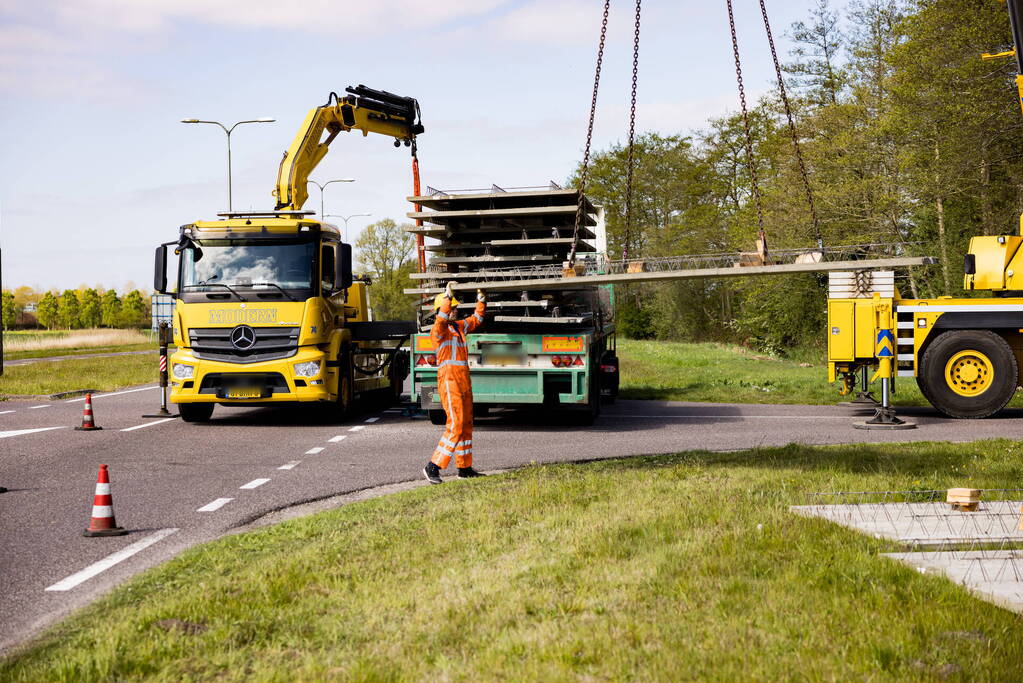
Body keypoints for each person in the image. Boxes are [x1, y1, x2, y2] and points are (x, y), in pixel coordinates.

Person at [423, 281, 487, 484]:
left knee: (466, 423)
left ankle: (464, 467)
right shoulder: (438, 330)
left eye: (456, 308)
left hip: (463, 380)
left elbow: (476, 319)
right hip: (449, 381)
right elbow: (441, 320)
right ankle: (433, 466)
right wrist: (447, 297)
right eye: (453, 308)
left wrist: (481, 301)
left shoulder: (459, 327)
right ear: (442, 309)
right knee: (456, 424)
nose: (455, 311)